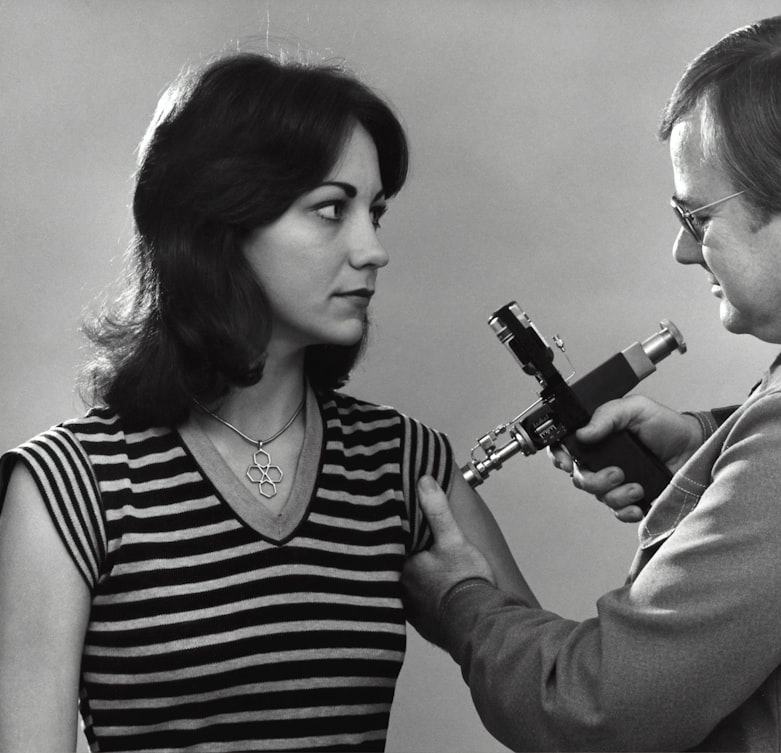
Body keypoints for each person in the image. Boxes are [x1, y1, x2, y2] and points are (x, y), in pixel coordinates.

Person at [401, 13, 781, 752]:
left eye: (696, 213)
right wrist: (708, 448)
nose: (683, 249)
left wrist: (463, 604)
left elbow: (595, 711)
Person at [0, 51, 537, 753]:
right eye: (330, 210)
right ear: (222, 220)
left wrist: (678, 496)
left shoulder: (402, 466)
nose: (373, 249)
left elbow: (559, 703)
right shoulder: (69, 489)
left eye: (374, 213)